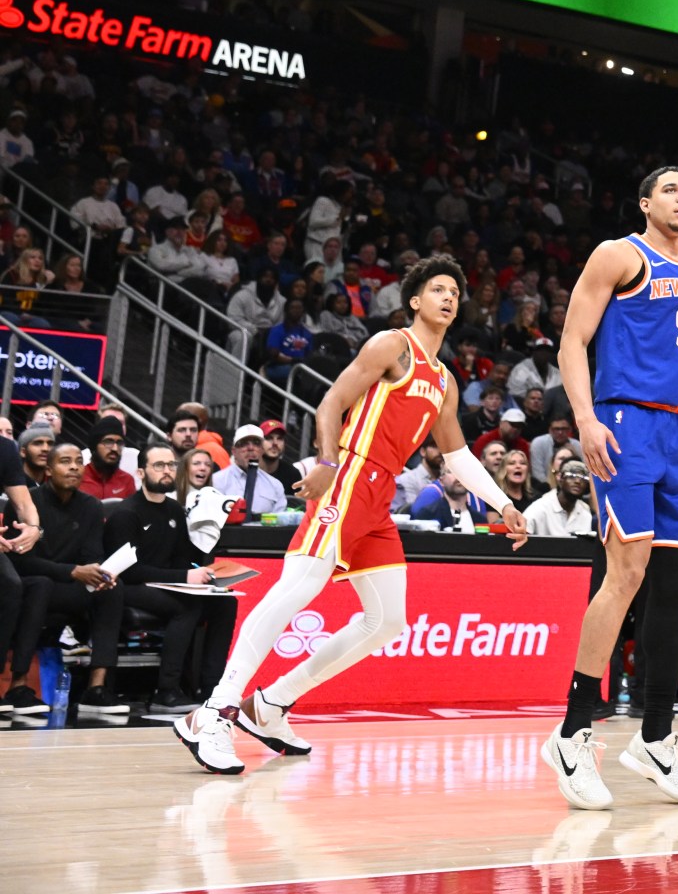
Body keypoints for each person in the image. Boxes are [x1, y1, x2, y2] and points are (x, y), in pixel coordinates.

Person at [173, 255, 527, 772]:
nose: (449, 298)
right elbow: (331, 402)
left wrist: (504, 504)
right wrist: (326, 462)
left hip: (381, 496)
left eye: (455, 292)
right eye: (438, 289)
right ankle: (213, 713)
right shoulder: (391, 345)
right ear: (414, 300)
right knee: (294, 592)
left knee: (386, 621)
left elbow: (457, 456)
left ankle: (270, 704)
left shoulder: (444, 380)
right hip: (350, 475)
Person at [546, 166, 678, 810]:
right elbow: (572, 341)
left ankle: (656, 737)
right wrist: (585, 420)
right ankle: (572, 733)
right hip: (624, 422)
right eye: (670, 190)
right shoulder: (618, 255)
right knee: (626, 574)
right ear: (644, 203)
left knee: (671, 585)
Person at [106, 443, 236, 712]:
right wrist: (185, 575)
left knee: (225, 603)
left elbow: (181, 560)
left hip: (166, 583)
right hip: (128, 586)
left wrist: (204, 572)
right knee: (186, 607)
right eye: (159, 465)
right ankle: (166, 690)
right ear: (141, 472)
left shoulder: (175, 510)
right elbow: (129, 571)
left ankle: (211, 687)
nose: (167, 471)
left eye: (171, 465)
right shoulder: (126, 513)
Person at [9, 442, 129, 715]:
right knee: (41, 585)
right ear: (49, 469)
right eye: (65, 461)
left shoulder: (91, 506)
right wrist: (72, 571)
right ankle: (18, 686)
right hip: (32, 585)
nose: (74, 467)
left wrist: (100, 574)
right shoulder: (27, 503)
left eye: (78, 462)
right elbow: (20, 560)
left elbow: (92, 556)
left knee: (112, 588)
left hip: (70, 587)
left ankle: (95, 689)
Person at [210, 425, 289, 519]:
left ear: (262, 450)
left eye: (256, 443)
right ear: (234, 451)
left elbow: (279, 523)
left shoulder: (275, 486)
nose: (251, 448)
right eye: (243, 443)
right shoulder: (216, 481)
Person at [523, 458, 597, 538]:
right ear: (560, 479)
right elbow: (520, 533)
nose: (578, 481)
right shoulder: (540, 507)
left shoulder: (586, 513)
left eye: (583, 478)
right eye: (572, 476)